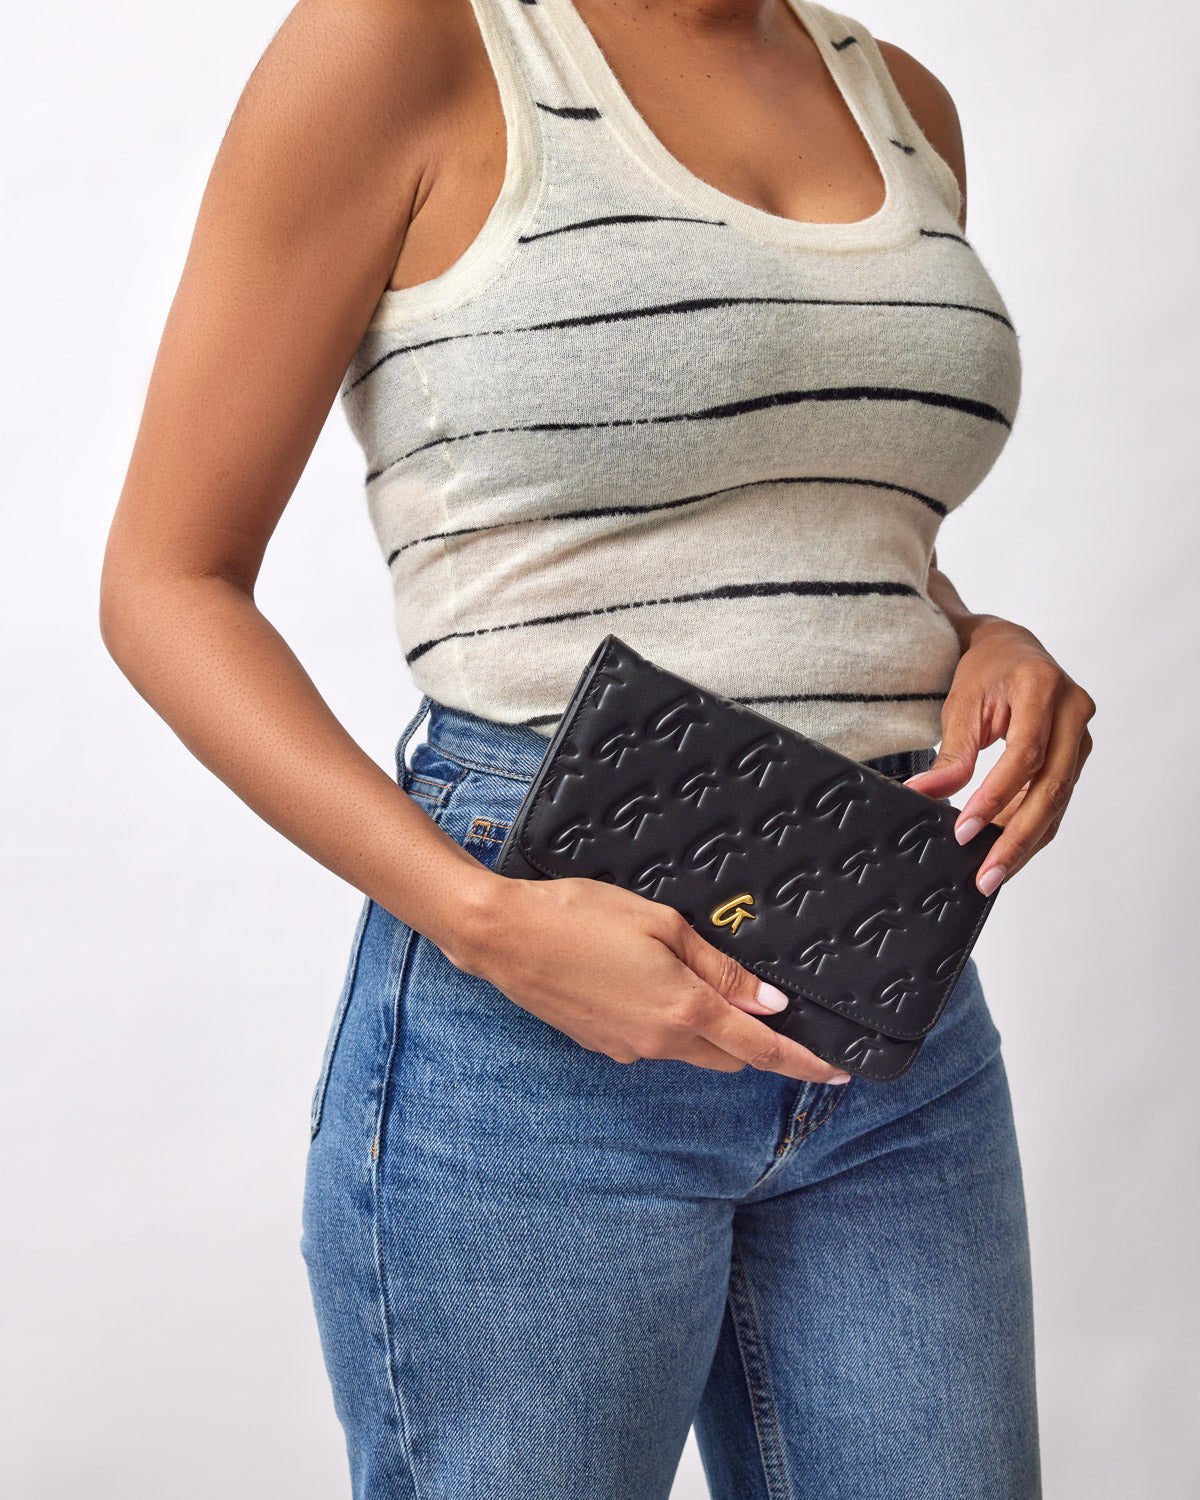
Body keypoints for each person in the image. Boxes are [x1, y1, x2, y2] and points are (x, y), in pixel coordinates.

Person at [99, 0, 1095, 1494]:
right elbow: (163, 584)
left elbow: (827, 516)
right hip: (535, 986)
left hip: (892, 986)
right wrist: (485, 922)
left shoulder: (900, 98)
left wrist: (982, 636)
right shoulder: (409, 44)